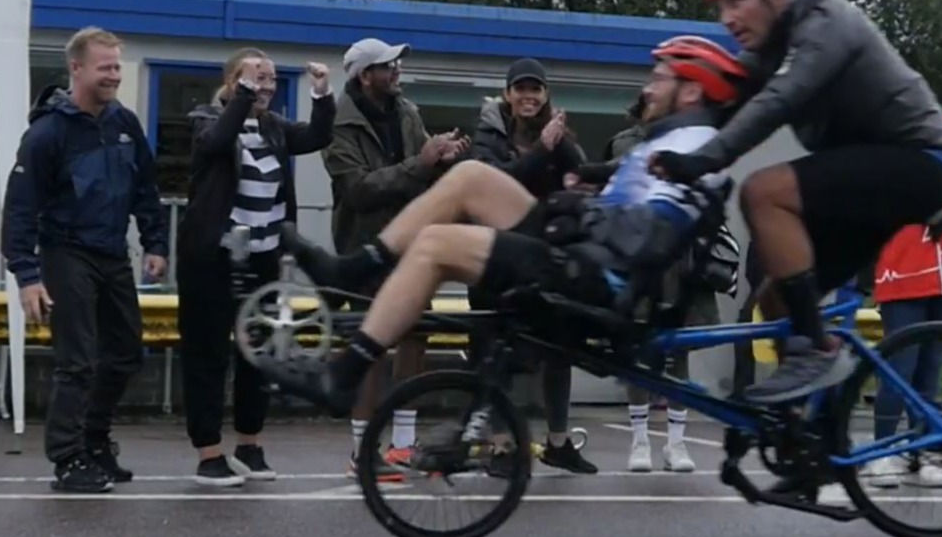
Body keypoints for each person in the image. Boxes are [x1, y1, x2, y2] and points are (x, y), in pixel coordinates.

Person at [275, 35, 750, 420]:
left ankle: (345, 373)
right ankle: (353, 269)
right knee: (470, 177)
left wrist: (582, 206)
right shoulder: (668, 140)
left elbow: (650, 236)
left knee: (436, 243)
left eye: (660, 79)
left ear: (692, 91)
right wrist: (588, 186)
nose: (648, 88)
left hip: (590, 275)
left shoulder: (694, 148)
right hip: (580, 244)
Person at [649, 0, 942, 407]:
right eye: (720, 8)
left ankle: (817, 349)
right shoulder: (772, 48)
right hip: (876, 171)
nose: (727, 19)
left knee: (763, 192)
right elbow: (719, 102)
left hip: (919, 160)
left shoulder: (824, 21)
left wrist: (706, 160)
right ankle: (807, 431)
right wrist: (640, 159)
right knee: (777, 301)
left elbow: (778, 100)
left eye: (737, 1)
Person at [1, 26, 169, 494]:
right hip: (66, 252)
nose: (114, 75)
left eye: (117, 66)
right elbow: (20, 208)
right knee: (76, 361)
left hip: (112, 253)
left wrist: (156, 242)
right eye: (105, 67)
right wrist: (27, 275)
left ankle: (95, 441)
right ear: (76, 69)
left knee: (125, 353)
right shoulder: (47, 133)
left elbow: (145, 187)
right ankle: (67, 456)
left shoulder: (124, 123)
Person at [174, 50, 336, 486]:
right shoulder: (207, 119)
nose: (266, 87)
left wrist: (322, 95)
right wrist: (242, 97)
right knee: (207, 354)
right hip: (212, 257)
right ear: (233, 81)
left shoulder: (274, 127)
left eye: (270, 80)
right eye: (256, 79)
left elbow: (316, 136)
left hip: (264, 257)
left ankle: (249, 444)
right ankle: (209, 452)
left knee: (259, 353)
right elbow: (216, 142)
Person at [321, 38, 467, 476]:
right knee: (371, 344)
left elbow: (423, 168)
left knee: (415, 337)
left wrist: (444, 159)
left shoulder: (407, 111)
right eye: (388, 65)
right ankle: (363, 451)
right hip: (364, 248)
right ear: (365, 76)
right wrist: (422, 163)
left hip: (412, 245)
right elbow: (359, 190)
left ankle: (403, 445)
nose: (397, 70)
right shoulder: (337, 124)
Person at [466, 58, 596, 475]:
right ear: (507, 94)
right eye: (520, 88)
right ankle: (501, 447)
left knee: (559, 350)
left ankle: (559, 443)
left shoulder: (558, 135)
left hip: (543, 260)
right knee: (495, 351)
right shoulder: (488, 137)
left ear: (546, 95)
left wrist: (566, 150)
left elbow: (581, 175)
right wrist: (543, 148)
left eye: (535, 89)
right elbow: (499, 184)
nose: (528, 96)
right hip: (495, 259)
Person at [604, 91, 739, 474]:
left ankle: (676, 444)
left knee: (678, 352)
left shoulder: (692, 139)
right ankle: (640, 441)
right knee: (638, 352)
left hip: (682, 261)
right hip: (640, 258)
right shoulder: (628, 143)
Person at [867, 104, 942, 487]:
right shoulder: (899, 137)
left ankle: (918, 450)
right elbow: (922, 182)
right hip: (904, 265)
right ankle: (881, 451)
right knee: (899, 366)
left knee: (930, 369)